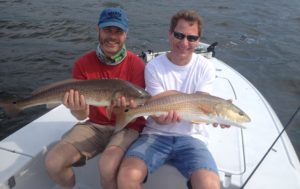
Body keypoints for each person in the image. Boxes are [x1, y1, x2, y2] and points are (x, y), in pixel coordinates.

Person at [118, 10, 229, 189]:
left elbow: (203, 101)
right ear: (170, 35)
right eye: (179, 35)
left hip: (192, 138)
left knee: (210, 185)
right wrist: (159, 118)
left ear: (198, 40)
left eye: (192, 38)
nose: (185, 43)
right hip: (155, 135)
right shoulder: (154, 66)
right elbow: (156, 109)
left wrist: (218, 117)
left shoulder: (206, 67)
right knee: (127, 177)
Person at [44, 7, 146, 189]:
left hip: (127, 126)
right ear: (98, 30)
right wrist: (77, 108)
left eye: (118, 31)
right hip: (95, 126)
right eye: (108, 30)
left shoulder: (137, 64)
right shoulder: (82, 64)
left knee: (107, 166)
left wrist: (123, 109)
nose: (112, 36)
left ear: (126, 35)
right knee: (54, 162)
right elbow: (81, 116)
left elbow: (140, 107)